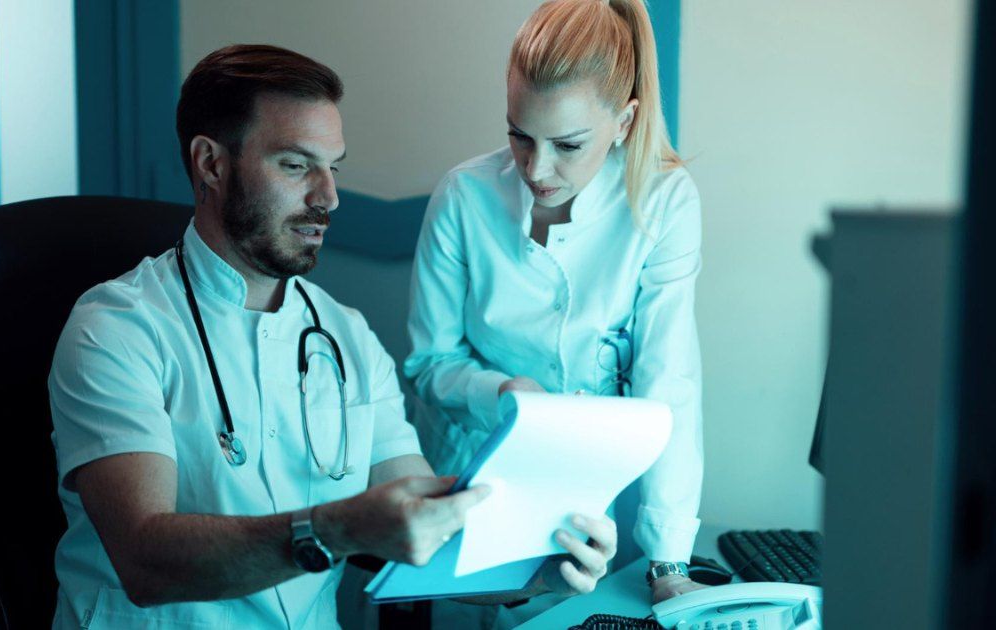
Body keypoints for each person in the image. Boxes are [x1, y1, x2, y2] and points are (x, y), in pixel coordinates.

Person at [48, 44, 615, 629]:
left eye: (333, 167)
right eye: (296, 166)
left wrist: (537, 571)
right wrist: (337, 528)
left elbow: (425, 523)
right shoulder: (115, 329)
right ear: (210, 164)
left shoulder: (346, 335)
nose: (328, 197)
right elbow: (146, 561)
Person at [405, 0, 705, 607]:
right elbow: (428, 365)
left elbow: (669, 381)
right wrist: (500, 395)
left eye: (568, 144)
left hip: (603, 497)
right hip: (475, 484)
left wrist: (669, 562)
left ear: (624, 121)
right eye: (519, 135)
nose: (536, 169)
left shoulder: (664, 201)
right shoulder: (463, 197)